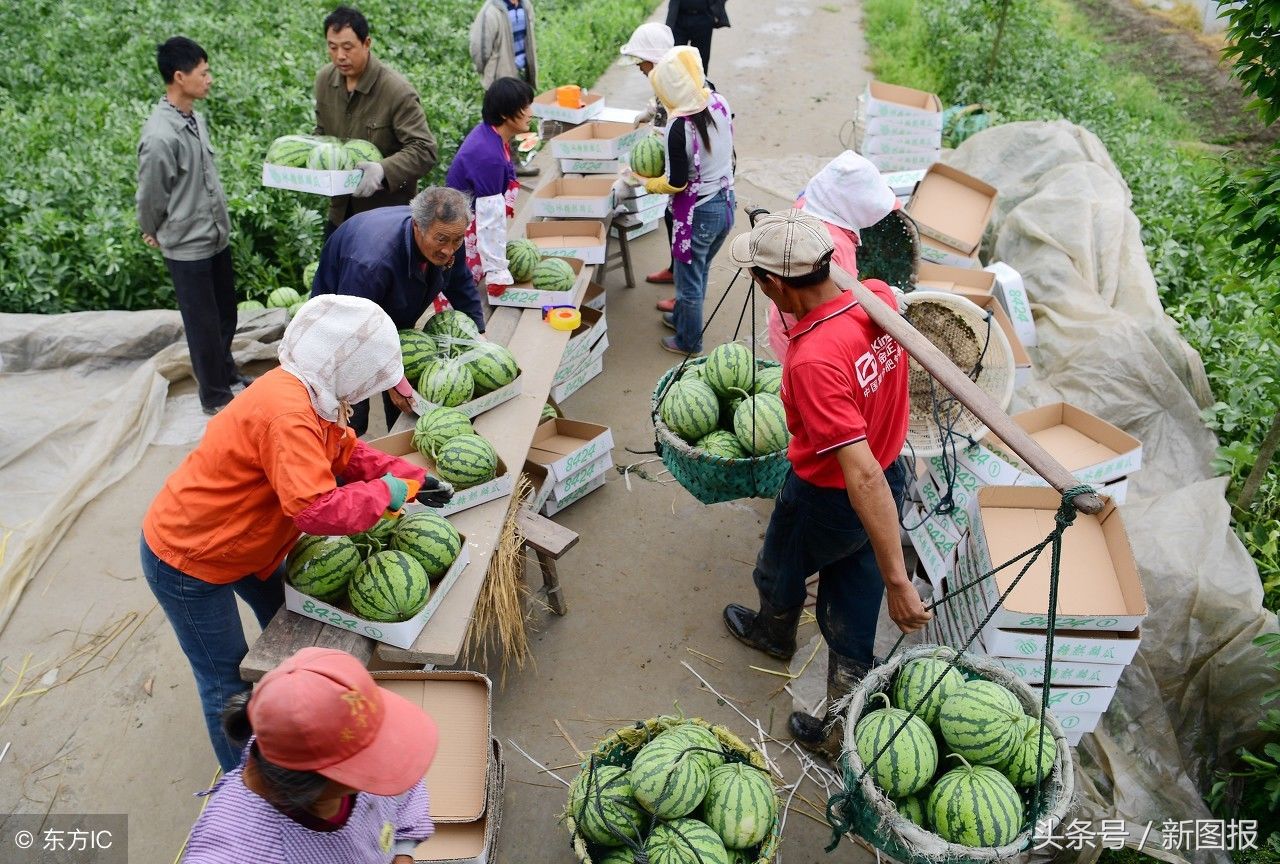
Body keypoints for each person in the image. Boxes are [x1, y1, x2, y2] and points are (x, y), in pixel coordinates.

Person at [141, 295, 453, 773]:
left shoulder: (312, 393)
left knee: (295, 627)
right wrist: (385, 493)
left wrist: (407, 478)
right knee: (225, 679)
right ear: (346, 365)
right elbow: (315, 509)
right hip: (189, 559)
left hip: (248, 541)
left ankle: (298, 722)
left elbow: (345, 455)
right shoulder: (288, 413)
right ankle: (244, 790)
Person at [721, 210, 931, 759]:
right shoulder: (877, 295)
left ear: (775, 285)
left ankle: (772, 634)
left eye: (760, 281)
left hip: (831, 495)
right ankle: (843, 729)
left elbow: (856, 473)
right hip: (892, 476)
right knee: (853, 602)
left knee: (779, 567)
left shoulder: (813, 360)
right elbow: (872, 475)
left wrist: (900, 581)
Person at [181, 647, 437, 862]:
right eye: (373, 761)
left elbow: (404, 780)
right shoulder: (239, 853)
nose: (390, 761)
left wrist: (403, 852)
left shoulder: (300, 739)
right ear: (307, 786)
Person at [311, 187, 484, 436]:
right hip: (344, 330)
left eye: (457, 240)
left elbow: (460, 283)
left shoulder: (450, 237)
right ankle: (342, 466)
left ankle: (396, 450)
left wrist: (479, 334)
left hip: (390, 313)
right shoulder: (373, 264)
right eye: (442, 240)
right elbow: (356, 333)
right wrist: (392, 380)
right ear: (417, 226)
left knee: (405, 400)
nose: (449, 249)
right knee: (350, 414)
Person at [137, 36, 249, 417]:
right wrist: (150, 227)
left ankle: (226, 372)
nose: (210, 79)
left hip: (214, 234)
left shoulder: (193, 118)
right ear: (179, 77)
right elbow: (150, 193)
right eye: (203, 73)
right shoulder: (159, 135)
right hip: (186, 244)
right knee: (201, 324)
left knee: (224, 314)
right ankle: (215, 397)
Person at [632, 47, 735, 356]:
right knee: (698, 271)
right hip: (725, 203)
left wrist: (644, 182)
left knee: (688, 282)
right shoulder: (718, 101)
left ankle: (689, 341)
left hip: (699, 214)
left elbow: (677, 182)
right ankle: (682, 320)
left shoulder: (679, 127)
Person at [315, 6, 439, 234]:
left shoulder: (396, 91)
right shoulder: (325, 80)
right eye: (333, 47)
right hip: (340, 212)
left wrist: (382, 170)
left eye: (347, 47)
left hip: (385, 220)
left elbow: (425, 150)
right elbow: (322, 132)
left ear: (367, 43)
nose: (340, 56)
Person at [767, 150, 899, 362]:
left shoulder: (807, 208)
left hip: (785, 320)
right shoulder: (832, 247)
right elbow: (837, 308)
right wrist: (882, 297)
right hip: (804, 337)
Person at [446, 76, 535, 297]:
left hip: (468, 221)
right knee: (462, 301)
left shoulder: (490, 134)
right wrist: (497, 273)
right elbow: (490, 221)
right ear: (505, 113)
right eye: (524, 107)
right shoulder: (488, 156)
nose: (531, 113)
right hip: (463, 231)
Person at [469, 0, 539, 177]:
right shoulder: (492, 11)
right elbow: (479, 49)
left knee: (517, 120)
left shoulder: (525, 6)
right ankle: (500, 167)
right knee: (501, 124)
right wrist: (489, 71)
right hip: (501, 76)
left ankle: (514, 165)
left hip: (521, 71)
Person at [666, 0, 730, 73]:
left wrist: (716, 8)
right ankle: (678, 83)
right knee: (675, 58)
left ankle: (700, 83)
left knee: (702, 60)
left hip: (703, 19)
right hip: (679, 19)